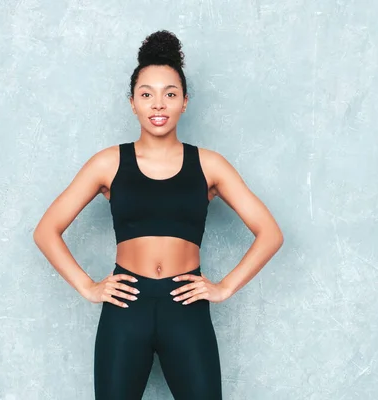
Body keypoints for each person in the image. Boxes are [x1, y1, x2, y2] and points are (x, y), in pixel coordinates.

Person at [33, 30, 284, 400]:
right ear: (132, 102)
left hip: (186, 307)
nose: (158, 104)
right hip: (126, 306)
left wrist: (225, 286)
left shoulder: (210, 165)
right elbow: (46, 231)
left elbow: (270, 233)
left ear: (184, 102)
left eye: (170, 94)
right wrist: (89, 287)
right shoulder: (108, 162)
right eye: (146, 94)